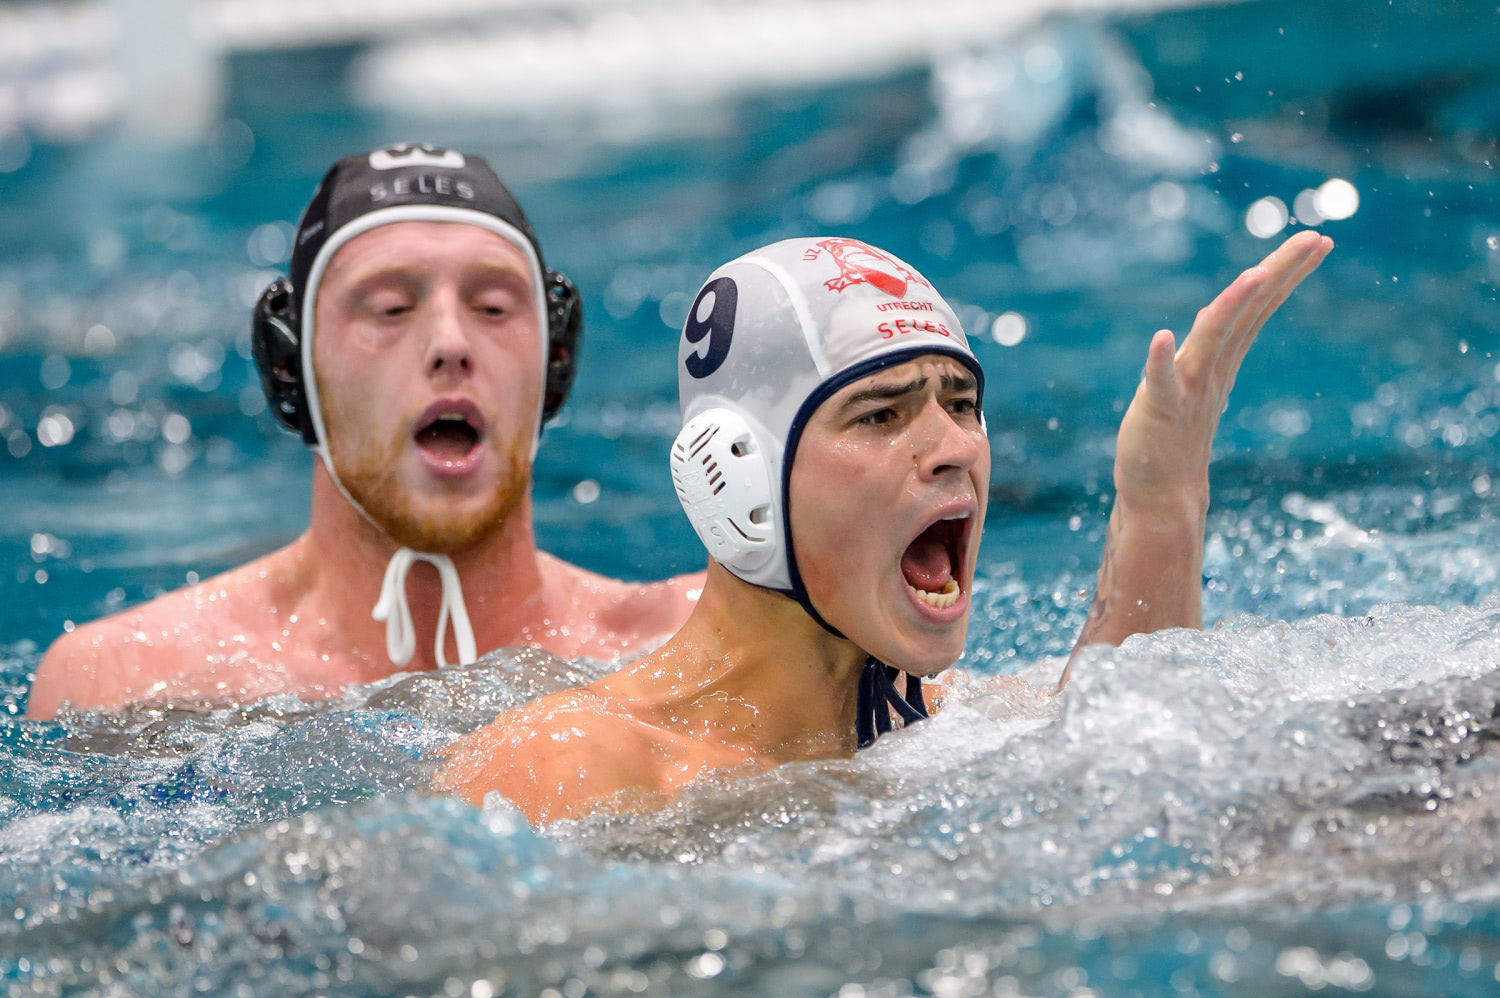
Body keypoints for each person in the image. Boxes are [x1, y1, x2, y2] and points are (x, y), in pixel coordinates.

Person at [437, 231, 1333, 824]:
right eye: (879, 415)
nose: (952, 448)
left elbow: (1141, 771)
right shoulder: (559, 771)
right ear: (737, 475)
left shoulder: (952, 727)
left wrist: (1162, 497)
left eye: (963, 402)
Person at [27, 144, 701, 719]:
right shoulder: (123, 684)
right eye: (390, 308)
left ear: (557, 361)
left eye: (494, 306)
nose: (450, 343)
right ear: (292, 369)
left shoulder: (692, 644)